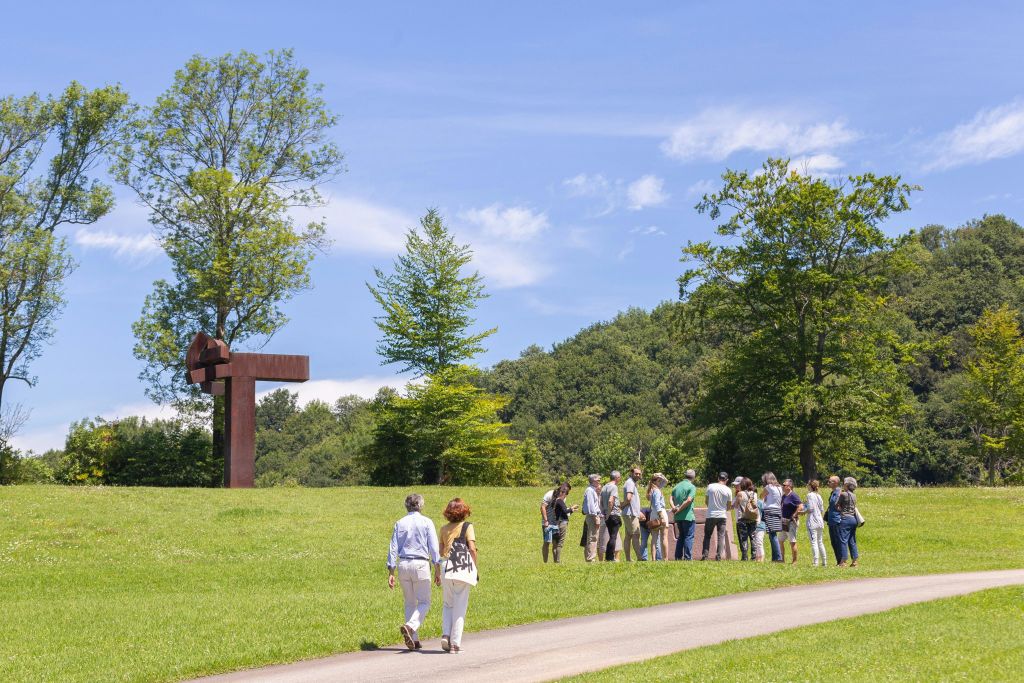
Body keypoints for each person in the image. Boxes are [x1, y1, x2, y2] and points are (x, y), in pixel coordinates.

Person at [387, 493, 441, 650]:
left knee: (409, 602)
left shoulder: (400, 523)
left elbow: (393, 548)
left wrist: (391, 571)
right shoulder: (427, 522)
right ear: (421, 505)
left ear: (406, 506)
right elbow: (434, 548)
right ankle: (410, 627)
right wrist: (437, 568)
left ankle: (414, 639)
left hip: (403, 563)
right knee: (424, 602)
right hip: (420, 564)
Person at [439, 498, 477, 654]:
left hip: (445, 566)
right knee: (460, 605)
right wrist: (474, 568)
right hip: (461, 566)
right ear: (464, 511)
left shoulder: (443, 528)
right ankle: (455, 644)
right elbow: (472, 549)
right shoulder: (467, 526)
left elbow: (441, 551)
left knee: (448, 603)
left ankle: (445, 634)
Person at [701, 472, 734, 561]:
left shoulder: (710, 486)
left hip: (710, 515)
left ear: (718, 478)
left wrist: (711, 507)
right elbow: (729, 506)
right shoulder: (728, 490)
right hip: (722, 516)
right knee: (721, 536)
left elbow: (706, 501)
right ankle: (719, 556)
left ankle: (705, 556)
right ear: (727, 480)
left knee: (707, 536)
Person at [670, 469, 697, 560]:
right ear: (693, 477)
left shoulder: (676, 486)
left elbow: (670, 499)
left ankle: (678, 557)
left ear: (685, 475)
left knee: (681, 536)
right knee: (688, 536)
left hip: (678, 517)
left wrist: (674, 507)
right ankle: (687, 558)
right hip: (688, 516)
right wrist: (679, 509)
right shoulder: (692, 487)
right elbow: (689, 500)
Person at [621, 466, 644, 561]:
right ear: (631, 473)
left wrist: (638, 511)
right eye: (636, 473)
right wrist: (622, 505)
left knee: (628, 536)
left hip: (630, 513)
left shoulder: (631, 483)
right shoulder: (630, 483)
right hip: (631, 514)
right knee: (635, 535)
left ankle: (628, 559)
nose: (638, 475)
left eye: (639, 474)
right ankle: (639, 558)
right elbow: (629, 498)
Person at [837, 477, 861, 567]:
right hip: (853, 519)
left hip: (845, 519)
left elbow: (837, 506)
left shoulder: (843, 494)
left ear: (847, 485)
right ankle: (855, 561)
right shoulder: (854, 496)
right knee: (852, 540)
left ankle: (843, 561)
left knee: (843, 540)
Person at [760, 472, 784, 562]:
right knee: (772, 534)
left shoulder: (768, 487)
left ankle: (778, 557)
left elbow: (761, 496)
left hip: (770, 511)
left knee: (773, 535)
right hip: (778, 510)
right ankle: (774, 558)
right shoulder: (780, 487)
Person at [780, 478, 805, 564]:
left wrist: (795, 514)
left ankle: (794, 561)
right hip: (784, 521)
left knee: (792, 541)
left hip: (791, 522)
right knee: (780, 540)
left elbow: (801, 506)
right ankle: (782, 559)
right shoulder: (784, 496)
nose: (782, 486)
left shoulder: (794, 495)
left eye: (784, 485)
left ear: (789, 486)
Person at [551, 484, 577, 563]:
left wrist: (571, 511)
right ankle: (557, 561)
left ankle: (555, 561)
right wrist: (572, 508)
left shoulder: (554, 500)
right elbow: (565, 511)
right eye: (566, 494)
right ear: (563, 493)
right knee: (560, 543)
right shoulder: (560, 501)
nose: (566, 496)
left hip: (554, 523)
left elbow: (561, 512)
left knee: (555, 543)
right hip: (561, 523)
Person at [734, 477, 759, 561]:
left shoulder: (740, 493)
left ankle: (744, 556)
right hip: (752, 518)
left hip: (742, 518)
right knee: (753, 537)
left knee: (743, 537)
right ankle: (754, 556)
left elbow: (736, 506)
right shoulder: (754, 494)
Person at [600, 471, 623, 562]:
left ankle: (608, 557)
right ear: (616, 478)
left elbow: (601, 502)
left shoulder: (604, 487)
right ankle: (610, 557)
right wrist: (609, 513)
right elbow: (611, 501)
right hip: (613, 514)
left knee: (611, 536)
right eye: (619, 477)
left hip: (607, 515)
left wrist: (604, 513)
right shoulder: (614, 487)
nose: (620, 479)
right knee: (613, 537)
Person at [805, 480, 827, 567]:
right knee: (820, 541)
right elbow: (822, 509)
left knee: (814, 542)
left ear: (810, 486)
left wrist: (802, 511)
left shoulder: (810, 495)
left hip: (812, 521)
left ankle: (816, 562)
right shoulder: (819, 496)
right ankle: (824, 561)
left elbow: (810, 508)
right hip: (820, 521)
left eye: (808, 485)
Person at [647, 473, 669, 561]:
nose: (660, 481)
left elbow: (666, 481)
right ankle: (665, 558)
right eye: (659, 480)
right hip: (660, 512)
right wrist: (661, 517)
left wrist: (660, 475)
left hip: (653, 513)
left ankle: (653, 559)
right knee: (664, 537)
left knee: (654, 538)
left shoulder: (652, 490)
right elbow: (657, 504)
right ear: (655, 481)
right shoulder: (657, 490)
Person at [540, 481, 563, 563]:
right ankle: (545, 563)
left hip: (556, 523)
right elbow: (542, 507)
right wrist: (546, 521)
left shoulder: (563, 497)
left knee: (555, 543)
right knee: (547, 542)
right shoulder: (549, 495)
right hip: (547, 523)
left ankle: (555, 563)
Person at [582, 473, 603, 562]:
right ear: (593, 480)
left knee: (593, 537)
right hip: (592, 516)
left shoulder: (592, 490)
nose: (599, 481)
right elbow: (591, 506)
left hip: (594, 516)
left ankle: (590, 558)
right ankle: (591, 558)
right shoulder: (590, 490)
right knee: (593, 537)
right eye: (598, 480)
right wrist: (595, 518)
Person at [826, 475, 843, 566]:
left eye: (830, 482)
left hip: (837, 520)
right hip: (831, 520)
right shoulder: (832, 493)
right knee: (833, 542)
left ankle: (842, 561)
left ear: (836, 483)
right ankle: (838, 561)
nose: (828, 483)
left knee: (838, 541)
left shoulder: (840, 492)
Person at [752, 492, 767, 562]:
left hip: (760, 526)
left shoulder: (760, 503)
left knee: (759, 542)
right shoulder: (749, 503)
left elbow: (764, 515)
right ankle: (757, 558)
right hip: (752, 526)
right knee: (755, 543)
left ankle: (762, 558)